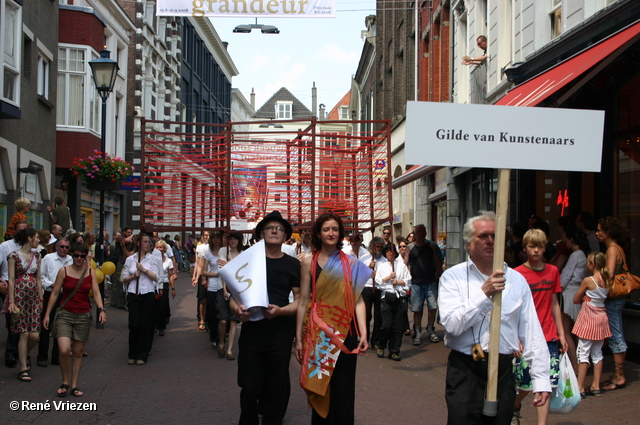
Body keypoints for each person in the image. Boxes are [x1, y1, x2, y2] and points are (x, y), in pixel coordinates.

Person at [439, 211, 550, 424]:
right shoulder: (453, 277)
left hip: (503, 371)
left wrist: (541, 379)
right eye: (483, 236)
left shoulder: (517, 280)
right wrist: (484, 294)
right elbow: (452, 325)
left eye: (495, 236)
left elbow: (531, 330)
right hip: (466, 370)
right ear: (469, 243)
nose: (490, 241)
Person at [296, 212, 370, 424]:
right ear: (319, 233)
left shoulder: (351, 263)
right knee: (320, 388)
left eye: (335, 229)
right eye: (326, 229)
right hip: (318, 336)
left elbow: (358, 301)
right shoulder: (308, 263)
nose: (331, 233)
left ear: (340, 233)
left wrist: (364, 332)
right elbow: (302, 301)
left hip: (345, 333)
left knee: (344, 392)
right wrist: (299, 339)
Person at [231, 211, 300, 425]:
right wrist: (237, 310)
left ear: (286, 236)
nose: (274, 231)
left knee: (275, 385)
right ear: (261, 233)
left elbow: (300, 301)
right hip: (252, 330)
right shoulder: (248, 260)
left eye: (279, 228)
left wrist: (281, 311)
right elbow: (232, 297)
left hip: (280, 332)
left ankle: (273, 420)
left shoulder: (293, 264)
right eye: (269, 228)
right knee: (249, 386)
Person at [512, 229, 568, 425]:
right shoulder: (517, 274)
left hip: (549, 336)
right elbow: (514, 308)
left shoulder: (552, 271)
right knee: (525, 385)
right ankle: (514, 405)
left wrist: (562, 334)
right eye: (532, 246)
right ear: (525, 248)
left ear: (545, 248)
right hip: (526, 336)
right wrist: (515, 337)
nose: (536, 250)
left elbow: (554, 303)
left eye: (540, 246)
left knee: (547, 384)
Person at [42, 242, 106, 397]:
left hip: (83, 315)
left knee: (77, 352)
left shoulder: (90, 273)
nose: (78, 258)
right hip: (65, 314)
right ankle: (65, 380)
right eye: (76, 255)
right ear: (72, 255)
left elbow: (96, 293)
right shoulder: (63, 271)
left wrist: (101, 309)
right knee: (64, 350)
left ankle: (74, 385)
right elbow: (55, 293)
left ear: (86, 257)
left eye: (81, 256)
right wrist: (47, 314)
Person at [572, 252, 611, 399]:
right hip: (601, 318)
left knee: (583, 352)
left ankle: (580, 387)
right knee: (597, 353)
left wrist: (584, 298)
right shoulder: (607, 280)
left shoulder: (588, 280)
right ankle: (596, 385)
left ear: (593, 264)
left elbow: (576, 299)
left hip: (588, 319)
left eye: (588, 262)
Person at [596, 217, 629, 391]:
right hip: (620, 298)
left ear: (607, 232)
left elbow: (608, 274)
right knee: (616, 332)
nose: (597, 233)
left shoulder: (611, 249)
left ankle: (619, 375)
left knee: (615, 335)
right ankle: (618, 373)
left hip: (614, 298)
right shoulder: (618, 248)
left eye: (600, 230)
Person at [7, 228, 42, 382]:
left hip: (33, 296)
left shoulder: (38, 255)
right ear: (29, 238)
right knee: (24, 333)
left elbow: (39, 278)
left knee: (34, 335)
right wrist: (12, 301)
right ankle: (23, 368)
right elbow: (12, 279)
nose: (38, 240)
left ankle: (25, 355)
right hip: (20, 295)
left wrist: (41, 298)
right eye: (36, 237)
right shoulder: (13, 256)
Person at [122, 233, 160, 365]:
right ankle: (132, 353)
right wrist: (134, 276)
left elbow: (156, 277)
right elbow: (124, 279)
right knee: (134, 324)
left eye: (149, 242)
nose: (148, 244)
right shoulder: (130, 259)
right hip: (134, 293)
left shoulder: (154, 259)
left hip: (147, 293)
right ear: (139, 243)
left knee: (145, 324)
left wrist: (144, 270)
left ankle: (142, 354)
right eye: (145, 242)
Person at [37, 237, 73, 367]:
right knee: (46, 324)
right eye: (62, 247)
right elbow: (41, 276)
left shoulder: (71, 260)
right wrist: (52, 285)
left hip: (65, 296)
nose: (64, 249)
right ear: (56, 247)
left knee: (61, 326)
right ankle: (42, 356)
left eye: (66, 247)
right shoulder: (48, 258)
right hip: (50, 293)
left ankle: (57, 357)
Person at [559, 226, 590, 371]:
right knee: (576, 330)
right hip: (576, 292)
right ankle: (580, 362)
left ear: (571, 239)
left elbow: (565, 275)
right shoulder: (582, 254)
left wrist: (555, 288)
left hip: (570, 293)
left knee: (566, 331)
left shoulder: (575, 255)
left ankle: (576, 363)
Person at [407, 224, 443, 345]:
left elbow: (437, 261)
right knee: (417, 309)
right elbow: (406, 264)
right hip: (416, 283)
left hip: (431, 282)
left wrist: (441, 275)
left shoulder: (431, 246)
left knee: (433, 307)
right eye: (418, 232)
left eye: (423, 231)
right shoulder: (409, 247)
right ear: (415, 234)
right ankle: (417, 333)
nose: (421, 234)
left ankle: (430, 329)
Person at [374, 244, 411, 361]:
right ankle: (381, 344)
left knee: (398, 327)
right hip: (387, 298)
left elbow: (408, 281)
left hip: (399, 298)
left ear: (395, 252)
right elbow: (378, 282)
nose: (390, 253)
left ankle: (394, 350)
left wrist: (398, 282)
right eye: (387, 251)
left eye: (391, 251)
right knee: (387, 325)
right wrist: (389, 277)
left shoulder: (402, 266)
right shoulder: (382, 267)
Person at [0, 219, 28, 367]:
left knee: (22, 322)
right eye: (19, 230)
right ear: (14, 231)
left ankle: (20, 351)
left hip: (26, 289)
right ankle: (11, 353)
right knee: (13, 320)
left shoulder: (31, 248)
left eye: (24, 230)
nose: (21, 233)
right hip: (8, 286)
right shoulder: (5, 246)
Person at [192, 231, 223, 349]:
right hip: (213, 286)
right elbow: (203, 270)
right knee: (212, 312)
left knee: (222, 313)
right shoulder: (207, 252)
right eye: (214, 238)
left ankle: (222, 335)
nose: (216, 240)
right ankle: (214, 335)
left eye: (217, 238)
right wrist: (214, 275)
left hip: (224, 286)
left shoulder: (224, 251)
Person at [216, 232, 243, 360]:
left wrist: (230, 264)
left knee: (233, 321)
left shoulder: (243, 254)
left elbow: (242, 272)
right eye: (230, 239)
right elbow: (222, 270)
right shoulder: (223, 250)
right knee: (223, 320)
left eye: (235, 239)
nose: (232, 241)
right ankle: (221, 342)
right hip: (223, 288)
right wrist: (225, 289)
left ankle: (230, 349)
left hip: (237, 290)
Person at [154, 240, 175, 337]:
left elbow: (171, 275)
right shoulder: (152, 259)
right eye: (157, 247)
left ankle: (161, 327)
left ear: (164, 249)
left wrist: (173, 288)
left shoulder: (168, 261)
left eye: (161, 247)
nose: (159, 249)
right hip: (153, 284)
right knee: (154, 305)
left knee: (162, 306)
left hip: (164, 283)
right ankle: (153, 325)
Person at [191, 231, 210, 330]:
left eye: (208, 235)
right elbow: (198, 264)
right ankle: (201, 319)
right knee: (202, 298)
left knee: (209, 299)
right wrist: (195, 276)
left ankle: (207, 319)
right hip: (203, 275)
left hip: (211, 276)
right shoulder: (201, 247)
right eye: (205, 235)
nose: (207, 236)